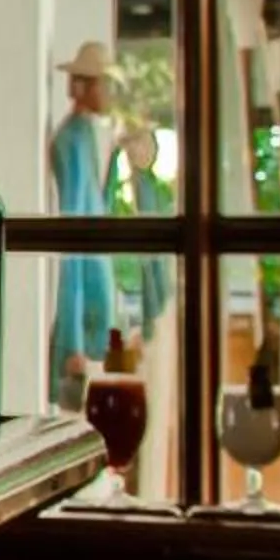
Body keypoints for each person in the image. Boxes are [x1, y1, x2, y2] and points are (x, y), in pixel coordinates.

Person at [47, 39, 168, 408]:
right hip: (84, 313)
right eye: (103, 83)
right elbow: (74, 239)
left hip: (100, 306)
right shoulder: (71, 141)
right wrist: (73, 340)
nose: (109, 93)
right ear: (83, 86)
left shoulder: (89, 137)